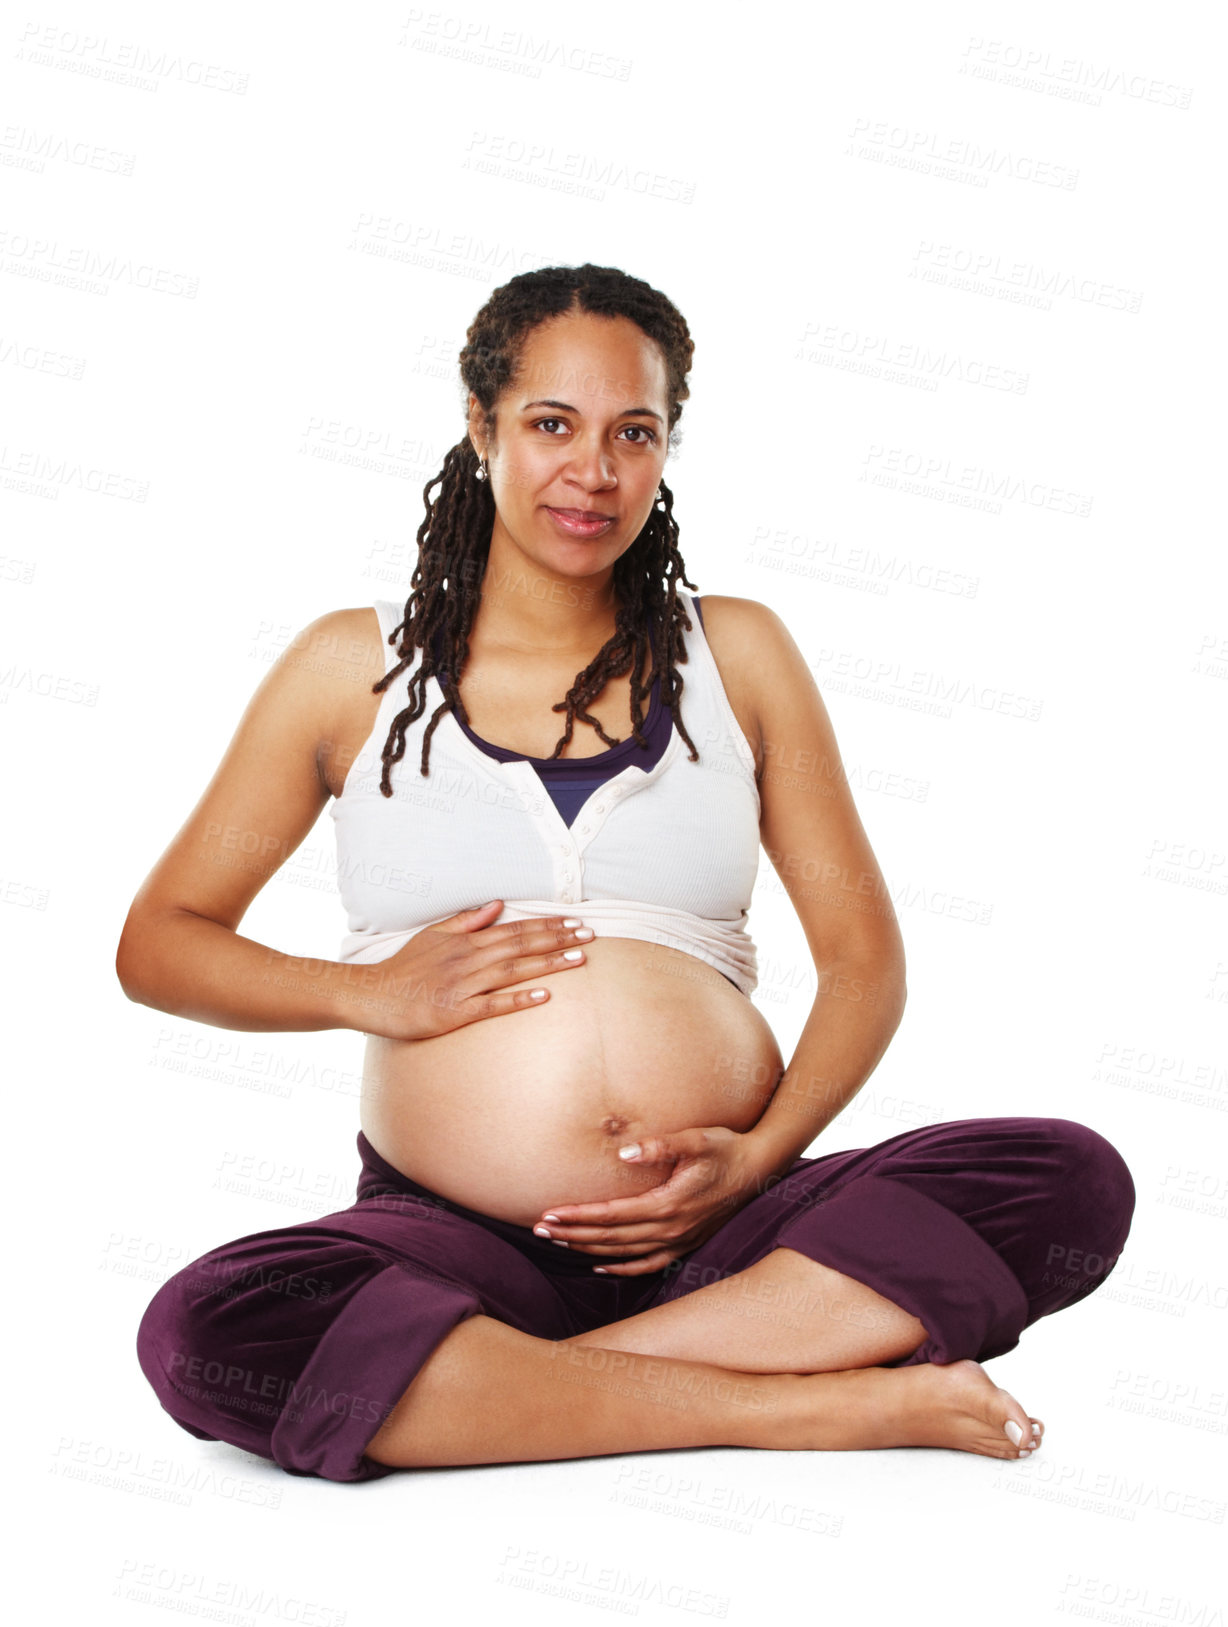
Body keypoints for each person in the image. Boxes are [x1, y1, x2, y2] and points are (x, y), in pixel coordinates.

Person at [118, 262, 1136, 1484]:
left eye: (633, 432)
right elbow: (162, 940)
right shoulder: (352, 666)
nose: (592, 471)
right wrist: (372, 995)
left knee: (1064, 1176)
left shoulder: (739, 654)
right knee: (212, 1327)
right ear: (482, 426)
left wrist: (759, 1161)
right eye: (552, 424)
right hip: (455, 1240)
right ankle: (789, 1401)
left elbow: (864, 962)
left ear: (665, 450)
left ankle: (528, 1389)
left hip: (732, 1228)